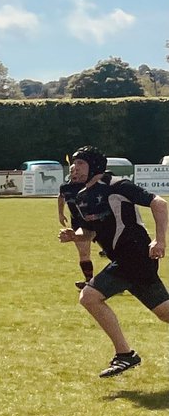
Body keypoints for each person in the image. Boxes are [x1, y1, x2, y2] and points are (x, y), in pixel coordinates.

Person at [59, 146, 168, 378]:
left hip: (135, 255)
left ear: (95, 166)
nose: (75, 169)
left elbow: (159, 203)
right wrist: (74, 236)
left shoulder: (116, 185)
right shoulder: (82, 197)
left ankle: (125, 354)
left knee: (89, 297)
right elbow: (89, 232)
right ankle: (125, 355)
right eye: (74, 165)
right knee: (164, 312)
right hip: (129, 260)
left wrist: (160, 240)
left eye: (81, 164)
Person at [58, 173, 95, 289]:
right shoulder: (65, 187)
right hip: (77, 224)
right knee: (83, 253)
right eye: (72, 171)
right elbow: (61, 197)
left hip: (95, 222)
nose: (74, 173)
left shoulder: (89, 185)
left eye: (77, 171)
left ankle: (120, 279)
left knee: (111, 252)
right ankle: (89, 281)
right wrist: (60, 213)